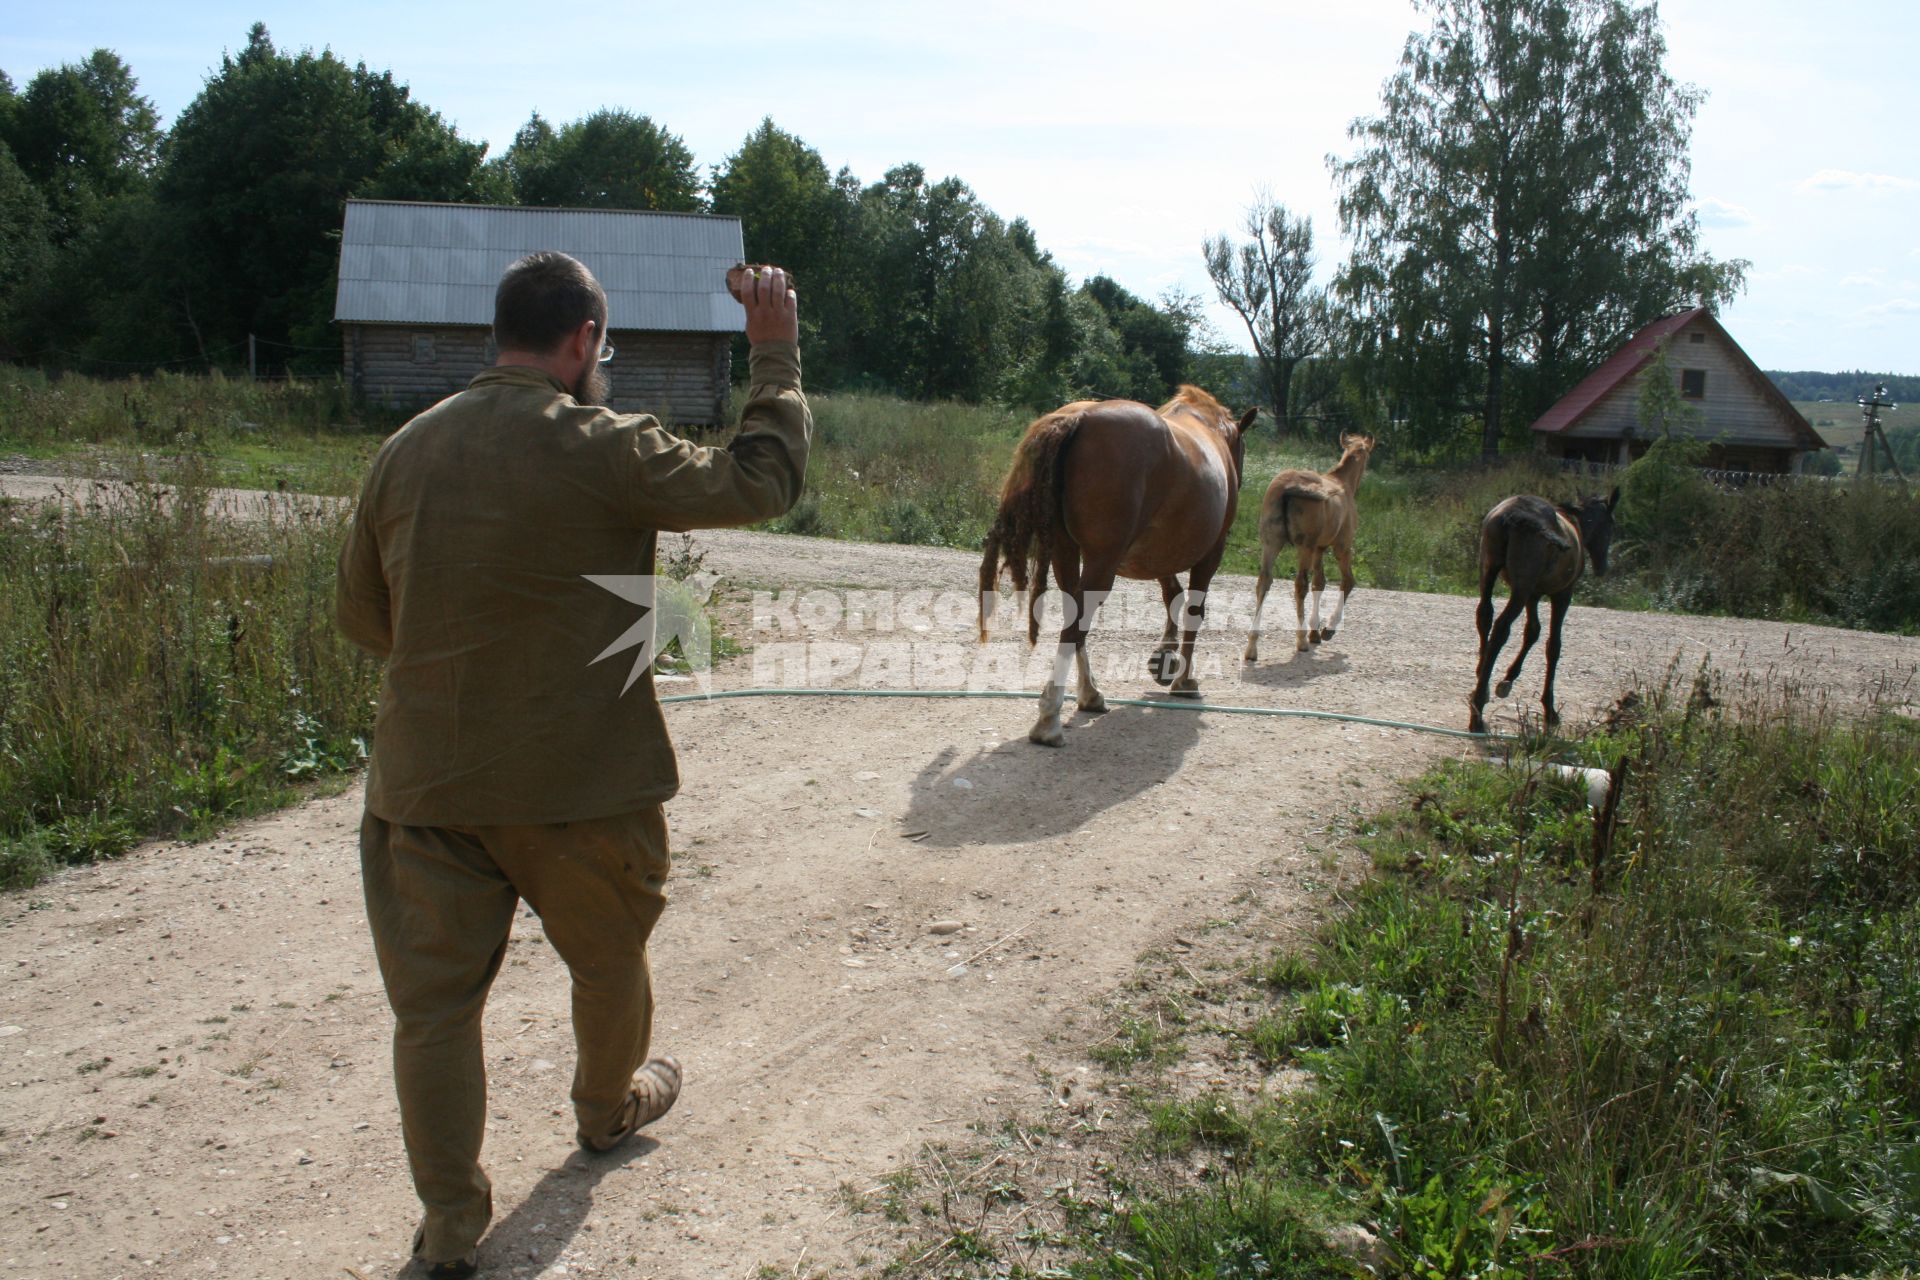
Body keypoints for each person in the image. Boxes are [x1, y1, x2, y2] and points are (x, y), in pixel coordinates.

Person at [335, 252, 809, 1278]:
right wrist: (774, 353)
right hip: (584, 788)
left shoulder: (401, 451)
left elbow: (368, 619)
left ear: (495, 332)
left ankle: (451, 1226)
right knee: (607, 961)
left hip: (426, 789)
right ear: (584, 339)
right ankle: (606, 1110)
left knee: (433, 1013)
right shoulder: (608, 444)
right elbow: (761, 480)